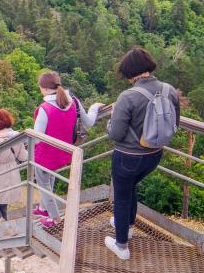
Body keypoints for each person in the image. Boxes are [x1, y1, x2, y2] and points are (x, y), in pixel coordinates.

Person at [105, 48, 180, 260]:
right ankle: (126, 225)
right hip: (154, 155)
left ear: (130, 72)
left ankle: (121, 246)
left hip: (128, 157)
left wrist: (111, 120)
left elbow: (116, 134)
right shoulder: (169, 90)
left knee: (121, 196)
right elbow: (175, 123)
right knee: (131, 188)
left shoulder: (128, 97)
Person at [33, 71, 102, 227]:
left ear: (43, 88)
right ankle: (44, 207)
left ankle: (54, 218)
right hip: (63, 153)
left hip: (45, 156)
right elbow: (89, 122)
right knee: (50, 178)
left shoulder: (45, 108)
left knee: (43, 184)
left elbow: (36, 138)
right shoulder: (74, 102)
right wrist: (95, 107)